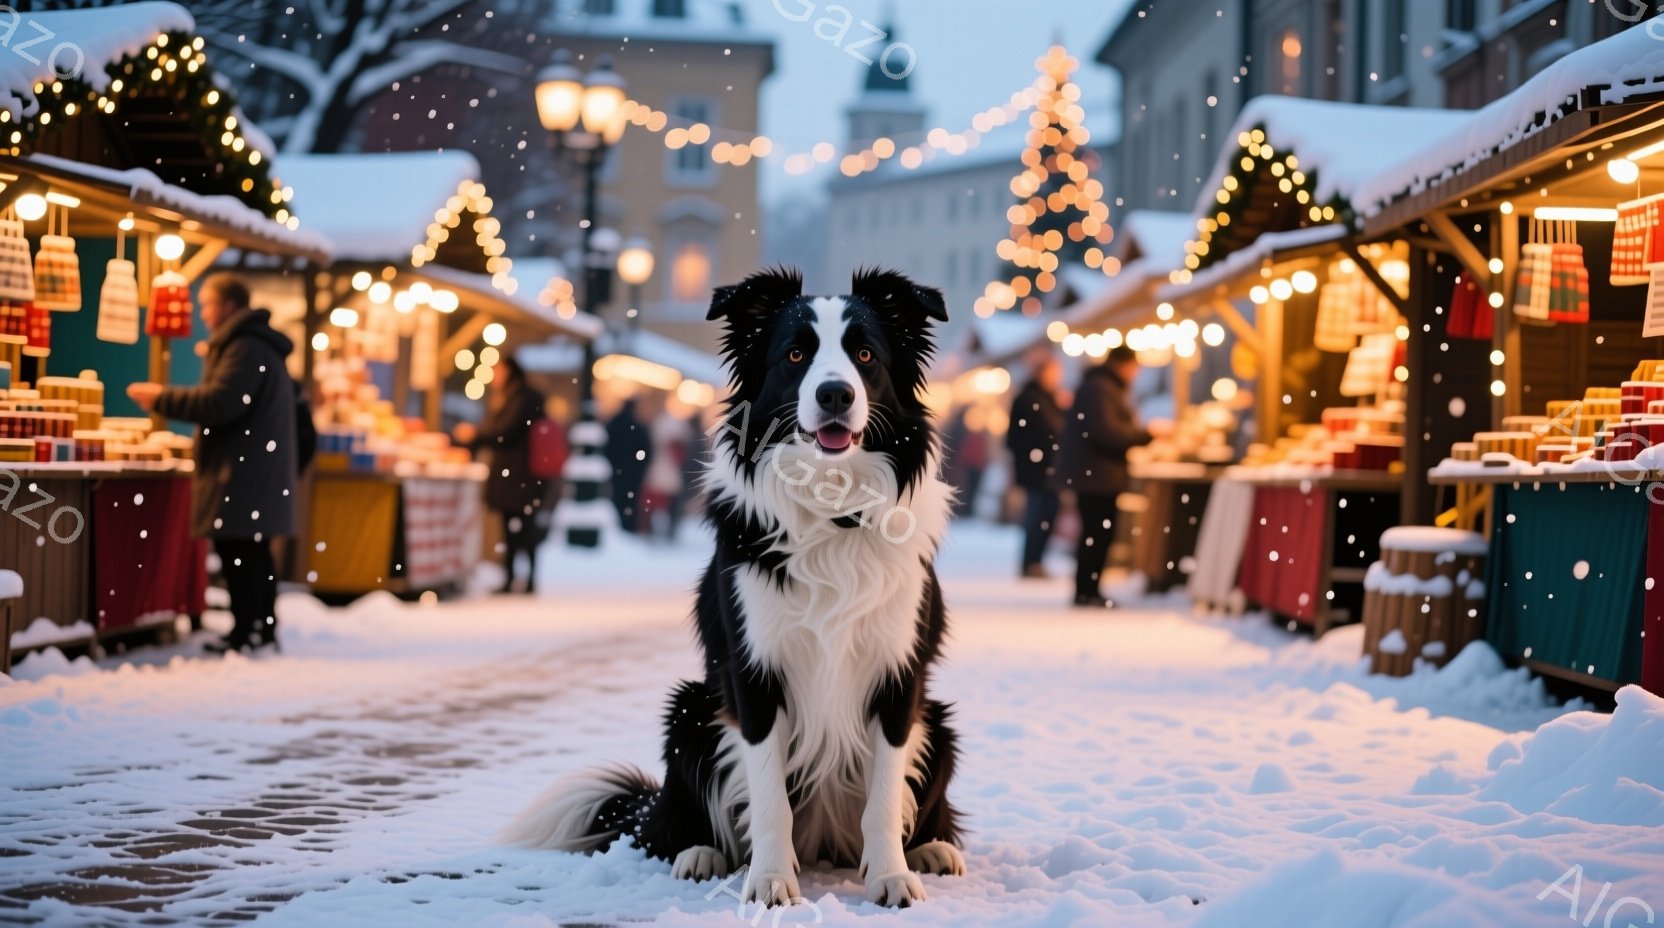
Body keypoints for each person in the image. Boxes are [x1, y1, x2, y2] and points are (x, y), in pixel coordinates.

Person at [127, 272, 297, 653]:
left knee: (242, 555)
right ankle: (258, 630)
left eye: (207, 303)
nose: (202, 313)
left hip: (243, 472)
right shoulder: (254, 345)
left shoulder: (245, 347)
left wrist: (161, 398)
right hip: (254, 469)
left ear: (229, 305)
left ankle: (248, 632)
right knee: (252, 554)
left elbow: (221, 403)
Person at [1055, 344, 1152, 608]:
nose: (1135, 374)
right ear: (1124, 365)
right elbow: (1107, 432)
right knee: (1096, 534)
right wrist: (1145, 434)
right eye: (1134, 367)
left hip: (1096, 475)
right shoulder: (1101, 388)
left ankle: (1088, 589)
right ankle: (1087, 591)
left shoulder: (1099, 386)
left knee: (1096, 533)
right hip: (1097, 477)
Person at [454, 355, 549, 595]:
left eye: (497, 370)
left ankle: (522, 578)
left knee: (519, 526)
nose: (494, 376)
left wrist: (475, 435)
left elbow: (506, 431)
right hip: (518, 474)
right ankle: (518, 577)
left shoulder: (521, 398)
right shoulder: (517, 396)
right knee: (517, 526)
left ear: (509, 371)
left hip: (519, 474)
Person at [1006, 351, 1065, 579]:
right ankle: (1032, 563)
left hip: (1041, 468)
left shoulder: (1041, 397)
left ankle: (1034, 562)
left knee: (1042, 515)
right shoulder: (1032, 399)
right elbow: (1052, 430)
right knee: (1039, 515)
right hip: (1039, 469)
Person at [642, 400, 692, 542]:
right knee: (667, 506)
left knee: (653, 506)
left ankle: (652, 530)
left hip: (657, 473)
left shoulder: (656, 427)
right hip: (668, 475)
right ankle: (665, 531)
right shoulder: (676, 435)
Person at [605, 397, 652, 534]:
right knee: (629, 503)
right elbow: (645, 451)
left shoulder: (613, 424)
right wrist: (639, 467)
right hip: (632, 475)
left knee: (616, 500)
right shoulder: (637, 427)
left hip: (615, 472)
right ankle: (626, 529)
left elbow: (607, 448)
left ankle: (616, 529)